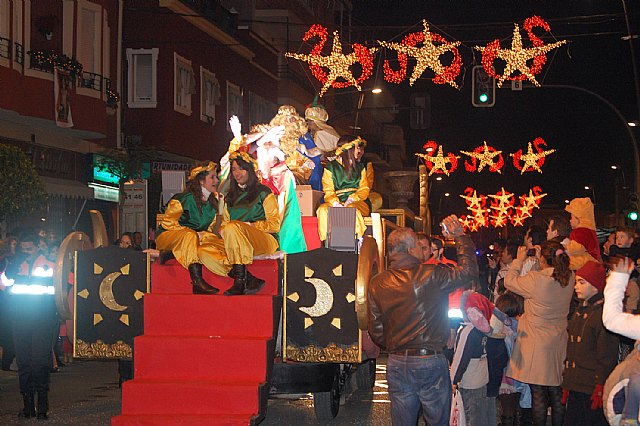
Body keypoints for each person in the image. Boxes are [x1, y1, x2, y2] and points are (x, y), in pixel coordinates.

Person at [367, 215, 479, 426]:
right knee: (437, 420)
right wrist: (460, 236)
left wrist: (395, 343)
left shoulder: (378, 282)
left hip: (398, 361)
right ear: (410, 250)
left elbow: (377, 329)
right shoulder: (431, 274)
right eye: (419, 246)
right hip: (430, 359)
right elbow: (469, 272)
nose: (422, 250)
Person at [504, 240, 574, 426]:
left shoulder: (536, 279)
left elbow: (509, 282)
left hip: (537, 343)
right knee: (556, 390)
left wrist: (518, 261)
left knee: (538, 392)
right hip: (558, 340)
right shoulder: (569, 277)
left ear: (543, 258)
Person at [3, 232, 58, 419]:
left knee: (39, 363)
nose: (26, 252)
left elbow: (64, 285)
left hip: (42, 320)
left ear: (37, 247)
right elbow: (3, 285)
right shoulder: (15, 265)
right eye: (23, 249)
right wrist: (12, 266)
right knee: (24, 363)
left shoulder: (49, 265)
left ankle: (42, 405)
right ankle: (27, 406)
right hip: (20, 320)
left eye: (29, 249)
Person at [156, 161, 230, 295]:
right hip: (168, 236)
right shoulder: (183, 199)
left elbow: (215, 229)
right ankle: (197, 281)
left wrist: (220, 210)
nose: (216, 180)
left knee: (213, 241)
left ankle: (172, 254)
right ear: (201, 181)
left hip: (192, 239)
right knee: (189, 236)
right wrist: (194, 234)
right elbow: (168, 224)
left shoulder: (214, 202)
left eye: (216, 177)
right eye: (212, 177)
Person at [562, 260, 619, 426]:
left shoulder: (602, 314)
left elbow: (606, 354)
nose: (576, 287)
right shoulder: (581, 309)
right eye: (576, 282)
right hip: (576, 383)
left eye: (582, 282)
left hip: (590, 386)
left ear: (595, 285)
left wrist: (600, 384)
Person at [221, 151, 280, 296]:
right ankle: (249, 279)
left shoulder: (264, 192)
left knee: (233, 227)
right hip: (237, 241)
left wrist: (251, 226)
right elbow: (224, 225)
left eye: (241, 168)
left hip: (264, 240)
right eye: (234, 169)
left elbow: (274, 225)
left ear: (249, 170)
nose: (237, 173)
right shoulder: (230, 197)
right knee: (205, 252)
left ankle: (240, 281)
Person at [450, 291, 496, 426]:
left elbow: (461, 358)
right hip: (481, 379)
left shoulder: (468, 332)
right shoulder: (482, 329)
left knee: (471, 417)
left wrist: (454, 379)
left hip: (469, 382)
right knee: (481, 416)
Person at [316, 135, 370, 243]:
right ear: (349, 149)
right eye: (357, 148)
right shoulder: (331, 167)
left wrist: (352, 199)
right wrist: (335, 203)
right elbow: (328, 189)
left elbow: (364, 188)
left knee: (351, 209)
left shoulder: (360, 167)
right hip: (336, 201)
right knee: (322, 210)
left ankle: (358, 240)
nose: (359, 150)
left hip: (357, 201)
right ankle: (327, 241)